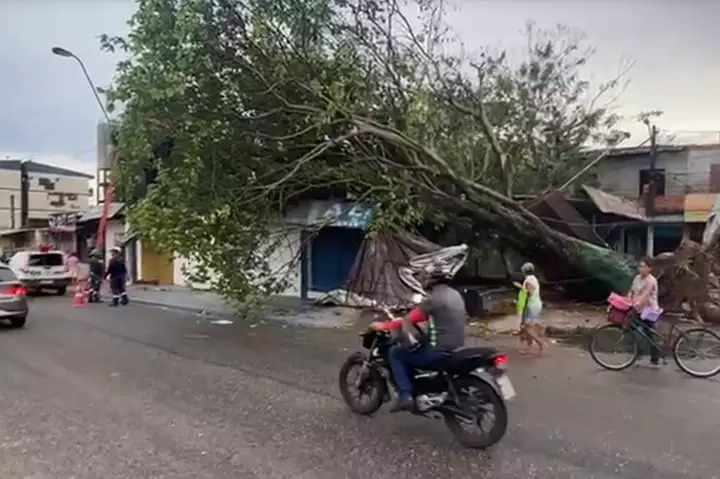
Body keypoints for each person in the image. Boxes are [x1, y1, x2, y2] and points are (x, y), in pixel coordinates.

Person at [370, 253, 468, 413]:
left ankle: (405, 396)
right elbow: (441, 321)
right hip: (457, 347)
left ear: (430, 278)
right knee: (416, 347)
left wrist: (382, 326)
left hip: (438, 351)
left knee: (396, 353)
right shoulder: (455, 295)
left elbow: (407, 320)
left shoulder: (433, 299)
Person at [628, 259, 661, 365]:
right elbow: (632, 291)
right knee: (632, 327)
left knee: (649, 333)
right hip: (638, 309)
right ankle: (640, 350)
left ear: (649, 269)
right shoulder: (637, 278)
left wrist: (637, 303)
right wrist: (628, 300)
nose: (641, 268)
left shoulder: (651, 280)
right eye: (640, 266)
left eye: (644, 266)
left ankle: (653, 355)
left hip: (649, 310)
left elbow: (645, 295)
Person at [515, 262, 545, 355]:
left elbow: (529, 292)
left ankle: (540, 343)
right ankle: (529, 347)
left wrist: (520, 286)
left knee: (527, 328)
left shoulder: (529, 280)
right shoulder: (533, 279)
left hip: (532, 305)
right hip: (535, 304)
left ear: (524, 271)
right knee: (528, 326)